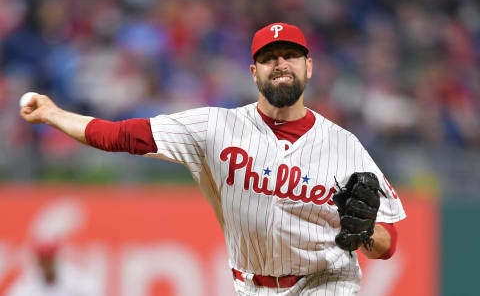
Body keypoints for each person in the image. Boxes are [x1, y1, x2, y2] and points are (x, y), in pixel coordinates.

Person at [20, 22, 406, 295]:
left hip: (328, 283)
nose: (281, 64)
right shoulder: (214, 128)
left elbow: (387, 246)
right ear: (254, 72)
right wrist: (54, 113)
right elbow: (121, 136)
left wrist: (367, 232)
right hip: (251, 286)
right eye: (270, 58)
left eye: (291, 55)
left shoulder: (345, 146)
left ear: (309, 67)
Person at [5, 241, 99, 296]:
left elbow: (93, 291)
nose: (47, 264)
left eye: (49, 259)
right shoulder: (26, 283)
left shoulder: (76, 279)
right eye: (43, 260)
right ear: (38, 261)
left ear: (56, 259)